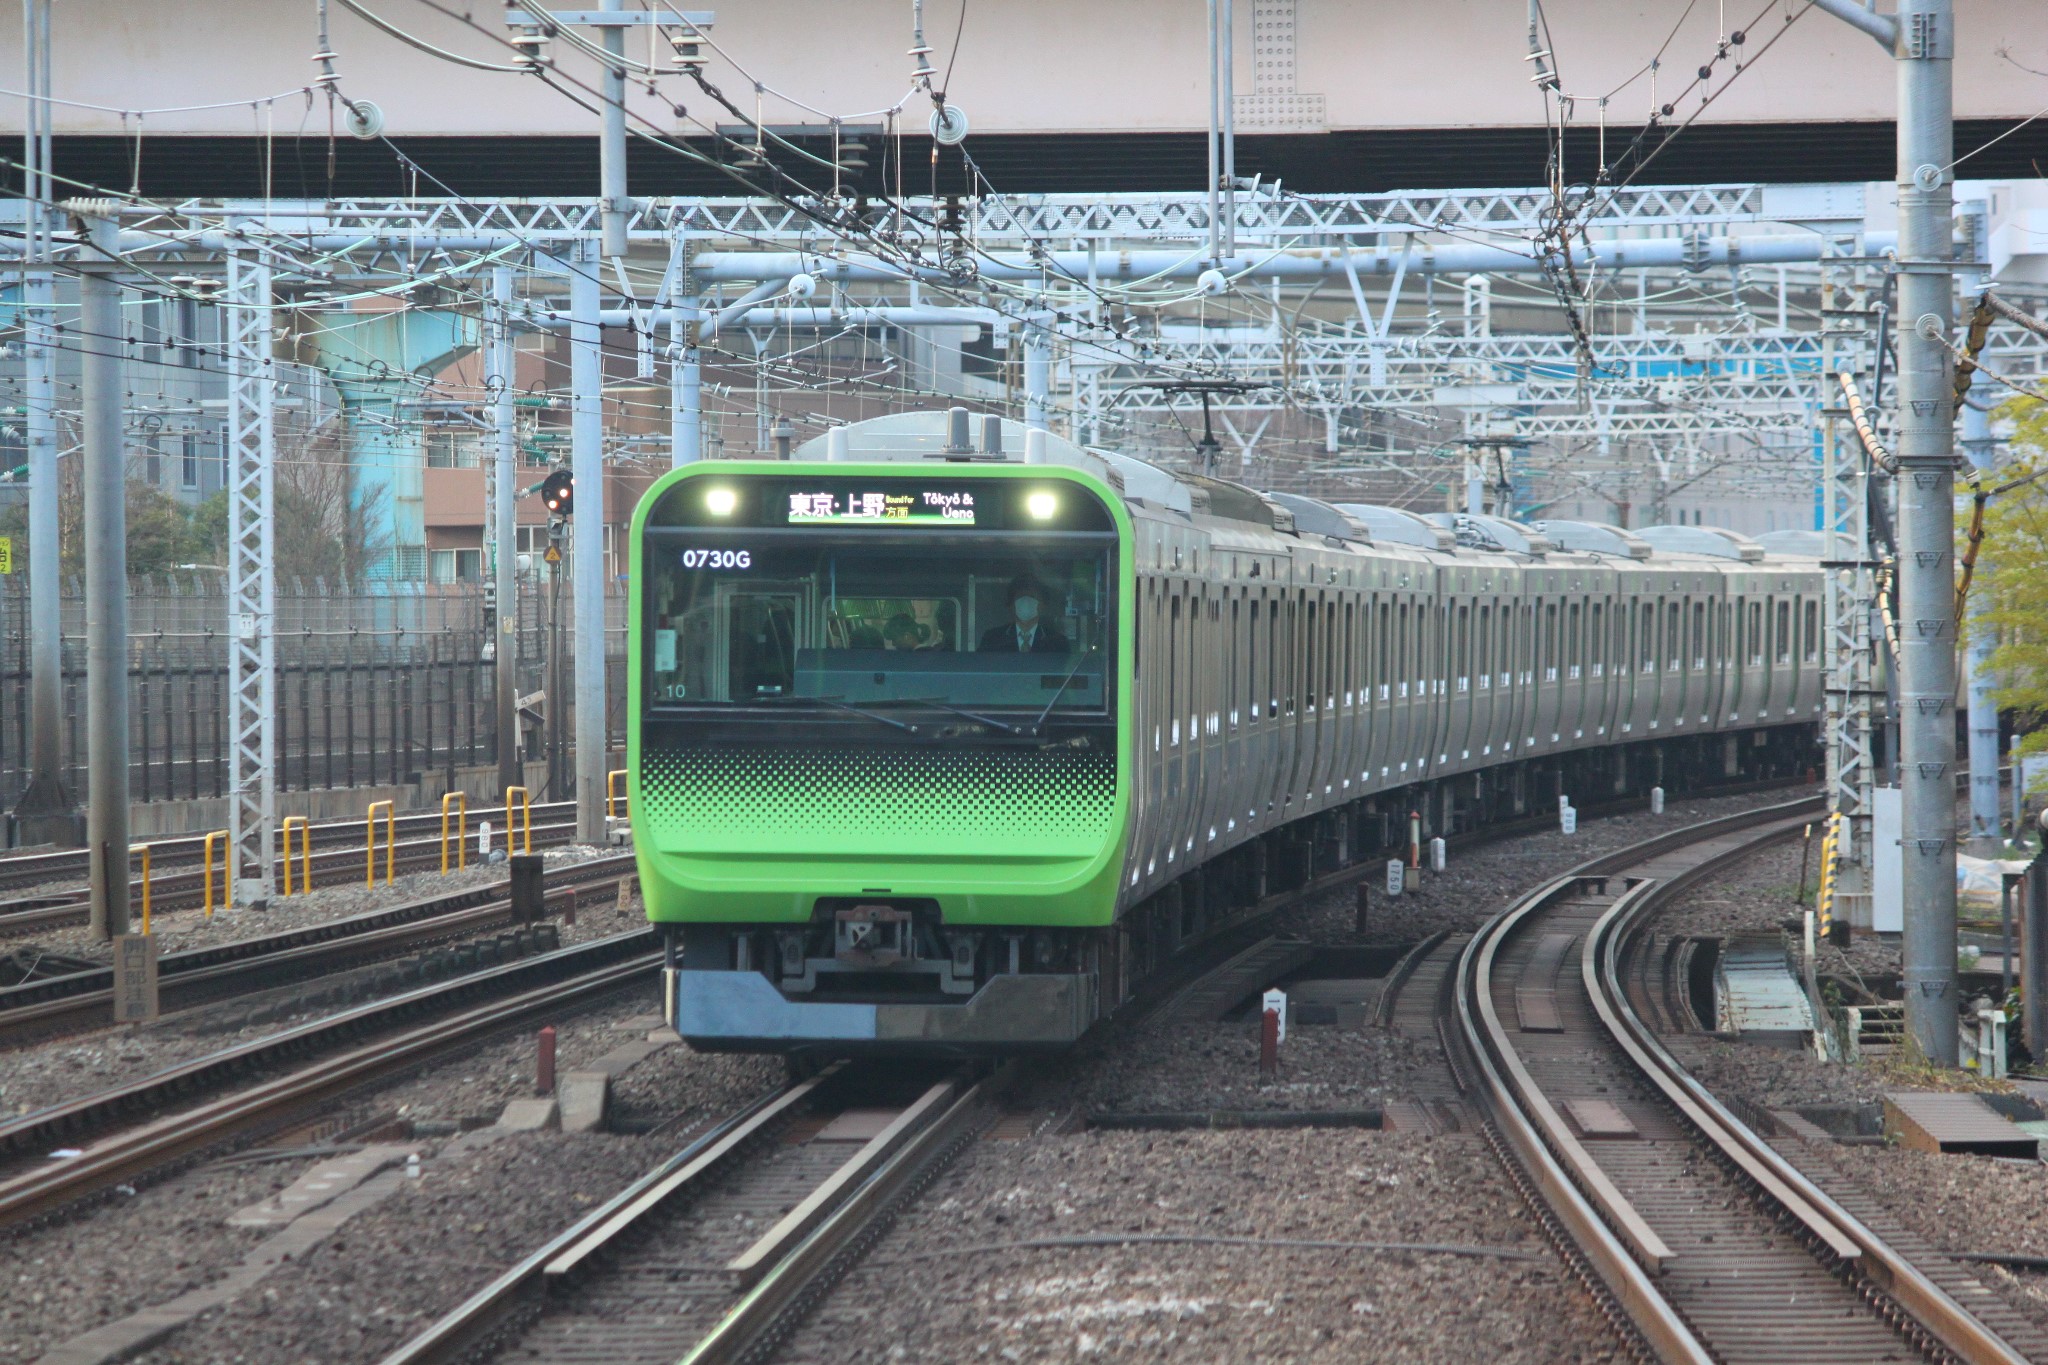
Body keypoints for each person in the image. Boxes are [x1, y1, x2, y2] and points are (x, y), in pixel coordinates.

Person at [978, 575, 1069, 653]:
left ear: (1043, 605)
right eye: (1021, 597)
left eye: (1032, 597)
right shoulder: (992, 639)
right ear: (1011, 605)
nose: (1026, 602)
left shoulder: (1058, 642)